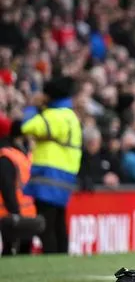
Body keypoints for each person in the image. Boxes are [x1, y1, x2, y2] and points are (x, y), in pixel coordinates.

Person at [20, 76, 82, 254]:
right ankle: (62, 258)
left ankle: (51, 256)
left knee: (46, 224)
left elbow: (26, 126)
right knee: (58, 222)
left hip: (49, 174)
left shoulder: (55, 115)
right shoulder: (70, 115)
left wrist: (32, 105)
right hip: (65, 175)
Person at [0, 114, 44, 255]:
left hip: (27, 214)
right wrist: (15, 213)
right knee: (11, 252)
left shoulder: (25, 155)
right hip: (11, 216)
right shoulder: (8, 156)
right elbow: (7, 187)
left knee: (23, 253)